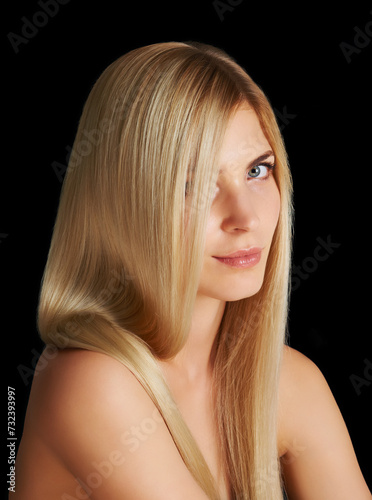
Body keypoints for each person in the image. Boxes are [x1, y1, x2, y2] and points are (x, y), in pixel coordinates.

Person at [12, 41, 371, 500]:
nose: (246, 217)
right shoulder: (87, 381)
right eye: (195, 184)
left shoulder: (286, 380)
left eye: (258, 171)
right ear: (125, 205)